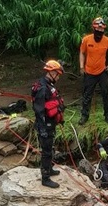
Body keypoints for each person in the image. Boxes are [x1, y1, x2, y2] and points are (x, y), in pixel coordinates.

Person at [79, 17, 108, 126]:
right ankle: (84, 116)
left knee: (106, 94)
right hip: (89, 72)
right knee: (87, 95)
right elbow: (82, 52)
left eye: (102, 30)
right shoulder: (86, 40)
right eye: (98, 29)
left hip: (102, 72)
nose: (100, 32)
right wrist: (81, 66)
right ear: (94, 29)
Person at [32, 59, 65, 188]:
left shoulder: (48, 85)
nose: (58, 77)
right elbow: (39, 110)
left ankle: (49, 169)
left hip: (51, 123)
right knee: (46, 151)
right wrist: (42, 129)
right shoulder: (42, 88)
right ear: (52, 73)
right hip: (45, 125)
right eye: (57, 74)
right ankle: (45, 178)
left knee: (50, 148)